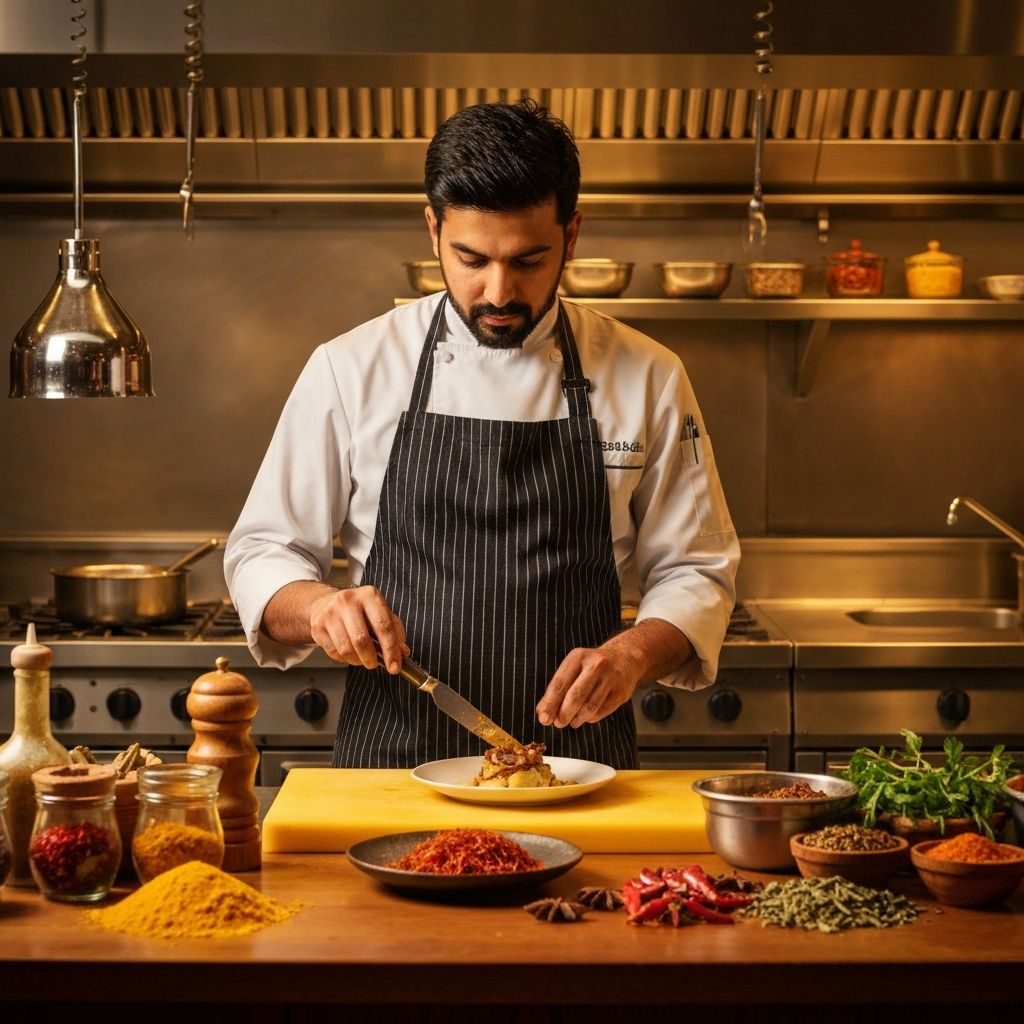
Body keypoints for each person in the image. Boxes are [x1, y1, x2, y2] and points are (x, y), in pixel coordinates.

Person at [224, 99, 739, 770]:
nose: (498, 292)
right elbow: (264, 552)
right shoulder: (351, 369)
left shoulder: (648, 376)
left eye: (528, 261)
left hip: (574, 773)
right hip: (392, 768)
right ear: (432, 227)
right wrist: (321, 607)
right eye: (470, 259)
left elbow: (695, 569)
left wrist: (635, 652)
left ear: (572, 234)